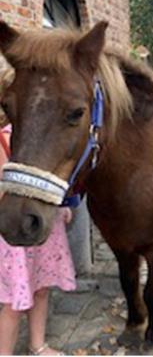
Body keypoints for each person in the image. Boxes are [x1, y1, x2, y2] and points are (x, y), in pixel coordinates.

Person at [0, 122, 76, 356]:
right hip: (14, 234)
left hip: (43, 228)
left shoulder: (45, 135)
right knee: (14, 301)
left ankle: (37, 345)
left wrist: (58, 206)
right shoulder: (3, 139)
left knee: (41, 288)